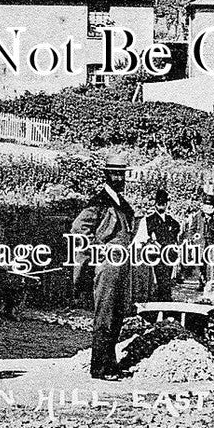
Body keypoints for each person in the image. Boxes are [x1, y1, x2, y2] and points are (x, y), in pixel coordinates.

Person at [70, 154, 136, 380]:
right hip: (107, 267)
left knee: (117, 316)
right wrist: (96, 253)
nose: (119, 178)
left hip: (122, 267)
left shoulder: (122, 203)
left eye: (122, 174)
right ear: (106, 175)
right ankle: (99, 368)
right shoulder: (98, 201)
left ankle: (111, 364)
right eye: (114, 173)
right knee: (105, 316)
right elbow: (79, 229)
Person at [144, 189, 181, 302]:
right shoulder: (149, 220)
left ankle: (165, 301)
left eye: (163, 203)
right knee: (158, 279)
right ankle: (160, 300)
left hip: (168, 254)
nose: (161, 206)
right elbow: (147, 237)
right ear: (155, 204)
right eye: (159, 203)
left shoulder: (172, 222)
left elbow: (175, 235)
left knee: (166, 278)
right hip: (155, 254)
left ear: (166, 204)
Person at [187, 195, 214, 295]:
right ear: (203, 206)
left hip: (213, 244)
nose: (208, 207)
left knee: (212, 264)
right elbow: (191, 230)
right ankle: (202, 281)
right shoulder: (198, 216)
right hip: (201, 244)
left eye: (210, 205)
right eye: (206, 205)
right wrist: (192, 239)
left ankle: (212, 283)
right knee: (201, 264)